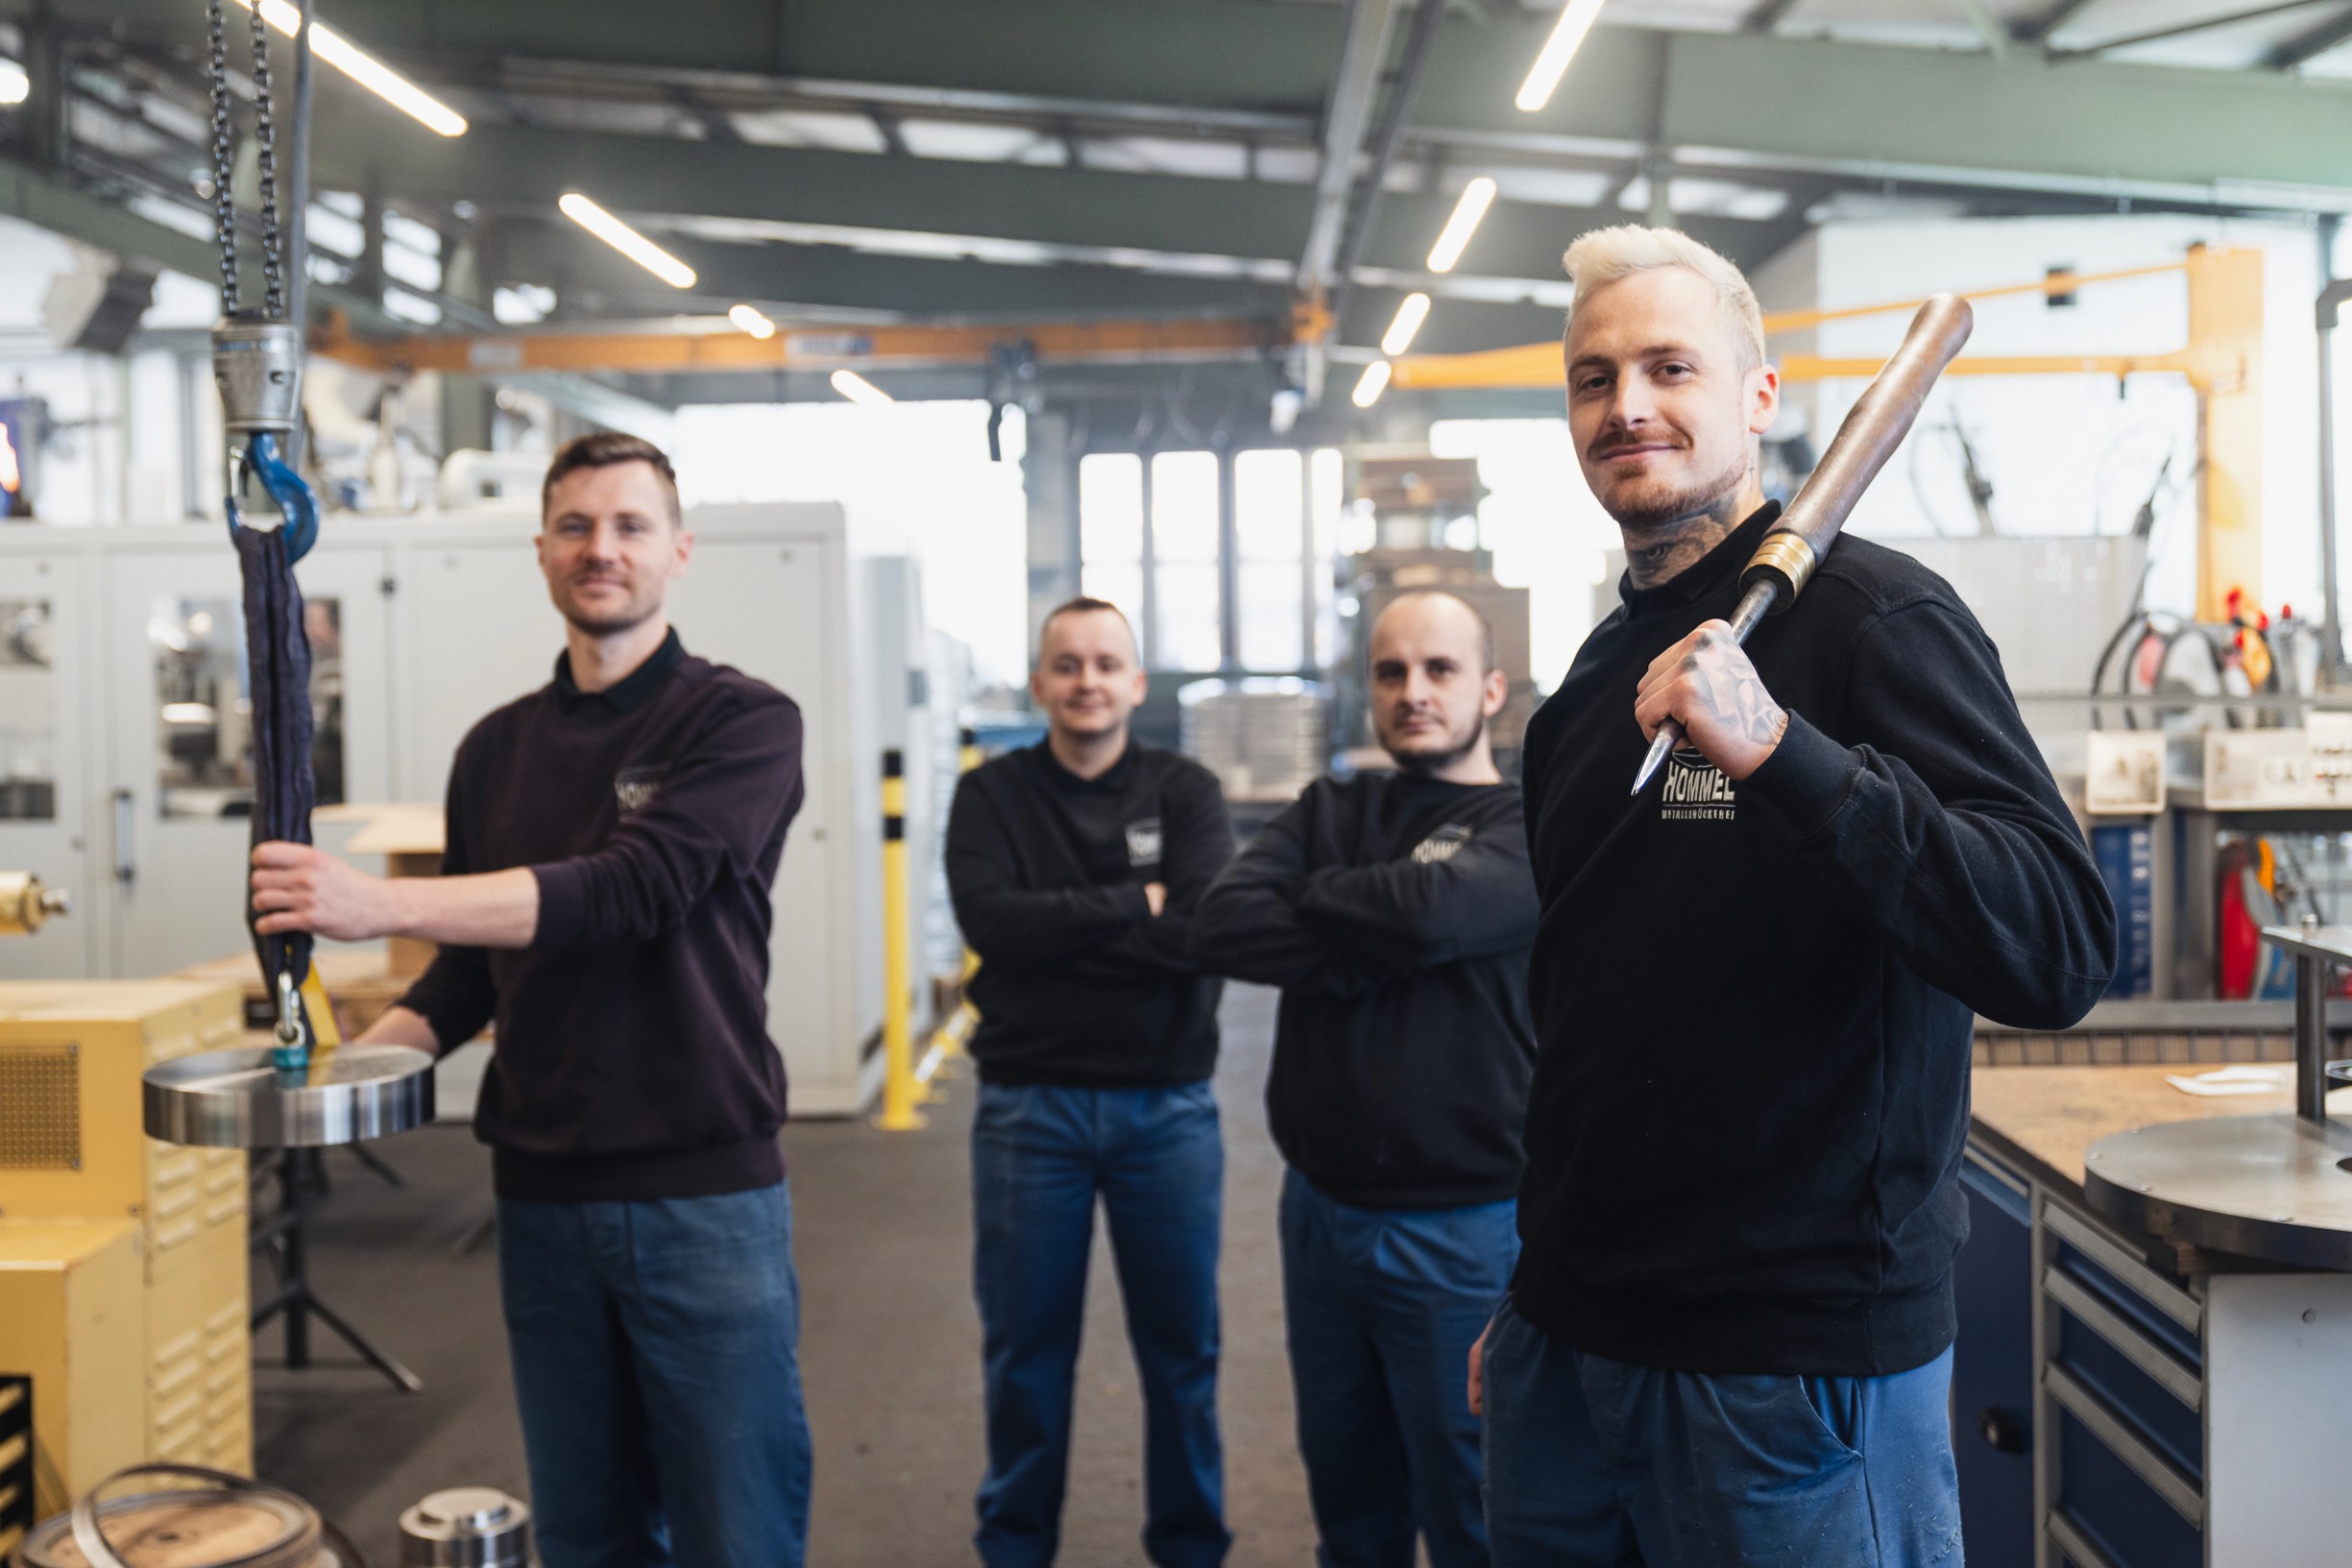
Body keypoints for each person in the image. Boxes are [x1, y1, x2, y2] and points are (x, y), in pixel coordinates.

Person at [1472, 225, 2116, 1566]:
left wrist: (1785, 756)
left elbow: (2057, 940)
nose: (1627, 405)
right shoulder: (1587, 695)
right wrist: (1536, 1282)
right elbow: (1587, 1014)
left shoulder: (1877, 624)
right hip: (1569, 1339)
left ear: (1758, 400)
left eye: (1668, 367)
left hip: (1788, 1360)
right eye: (1593, 379)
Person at [249, 432, 812, 1568]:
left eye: (629, 525)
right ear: (542, 551)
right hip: (543, 1197)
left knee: (733, 1530)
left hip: (697, 1190)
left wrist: (376, 904)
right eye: (574, 526)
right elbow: (470, 977)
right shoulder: (494, 749)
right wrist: (354, 1071)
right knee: (587, 1534)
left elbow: (632, 891)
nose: (600, 549)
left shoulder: (742, 722)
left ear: (679, 551)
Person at [1193, 591, 1538, 1568]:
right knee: (1350, 1504)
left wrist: (1311, 904)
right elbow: (1220, 923)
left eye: (1439, 670)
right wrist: (1373, 941)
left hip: (1462, 1230)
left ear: (1490, 689)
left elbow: (1438, 913)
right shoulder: (1331, 807)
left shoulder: (1526, 824)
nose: (1413, 692)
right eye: (1391, 672)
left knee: (1473, 1507)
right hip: (1322, 1216)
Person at [944, 596, 1235, 1568]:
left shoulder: (1186, 791)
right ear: (1039, 683)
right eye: (1066, 665)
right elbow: (993, 927)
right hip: (1032, 1111)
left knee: (1181, 1357)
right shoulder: (990, 798)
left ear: (1136, 683)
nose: (1087, 682)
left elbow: (1197, 931)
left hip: (1168, 1111)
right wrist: (1130, 906)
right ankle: (1015, 1549)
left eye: (1106, 663)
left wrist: (1064, 931)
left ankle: (1190, 1549)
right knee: (1026, 1357)